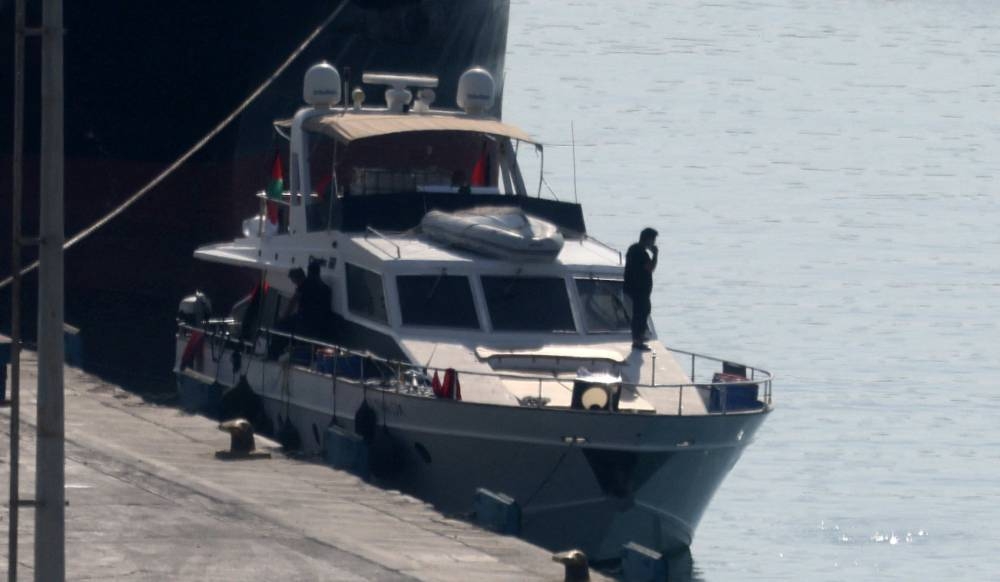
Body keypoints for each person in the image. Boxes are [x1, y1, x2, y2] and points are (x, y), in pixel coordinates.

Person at [623, 227, 658, 351]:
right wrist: (655, 254)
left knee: (642, 313)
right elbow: (650, 268)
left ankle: (638, 338)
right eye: (653, 240)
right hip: (638, 290)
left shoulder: (634, 249)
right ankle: (637, 340)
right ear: (648, 239)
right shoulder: (641, 252)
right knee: (641, 314)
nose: (654, 243)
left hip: (634, 288)